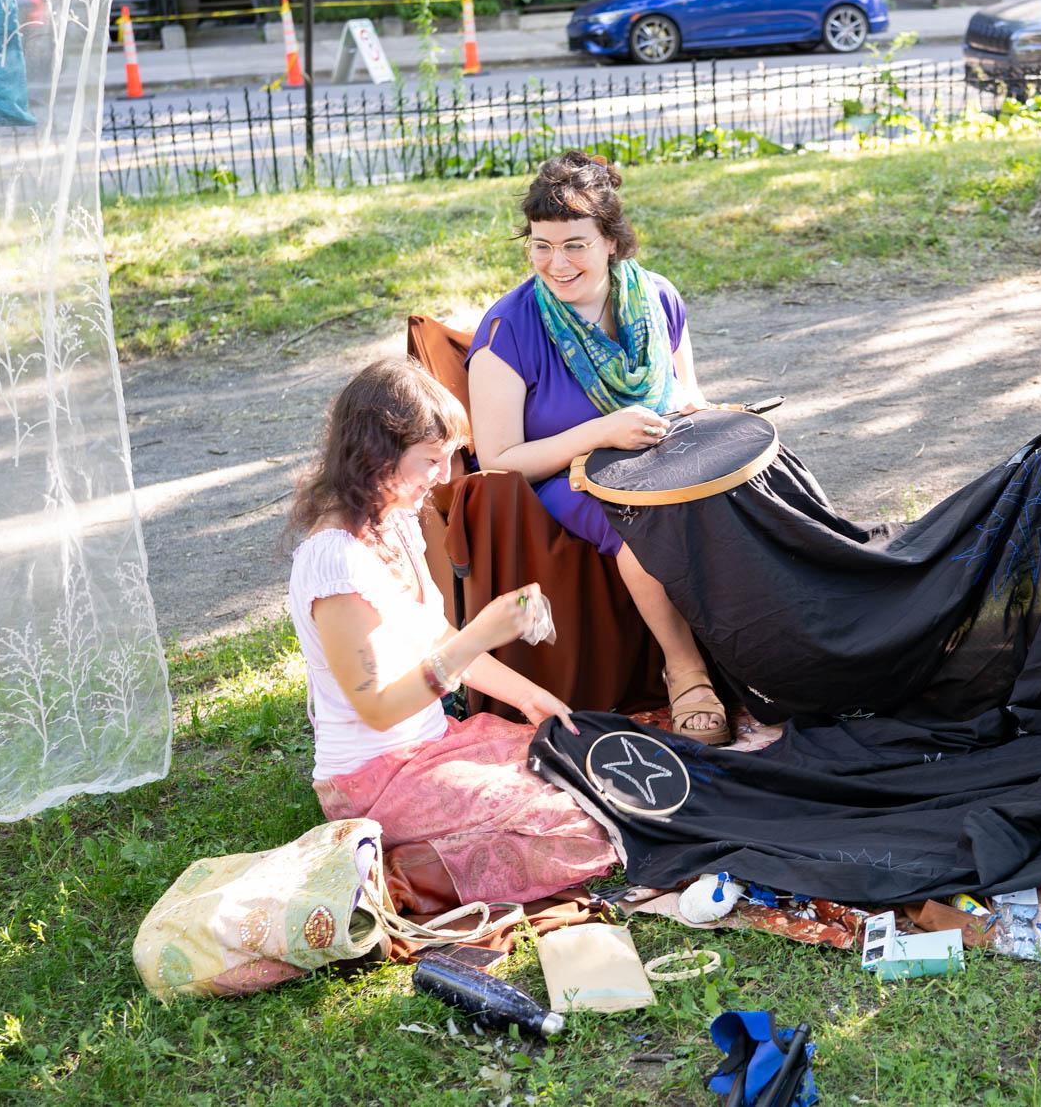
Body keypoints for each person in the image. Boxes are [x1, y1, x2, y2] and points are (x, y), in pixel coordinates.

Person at [288, 357, 616, 913]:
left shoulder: (395, 522)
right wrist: (479, 633)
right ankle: (401, 876)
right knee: (580, 827)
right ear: (376, 456)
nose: (444, 476)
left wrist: (531, 698)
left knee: (597, 780)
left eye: (448, 459)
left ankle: (446, 846)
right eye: (430, 461)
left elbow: (431, 634)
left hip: (432, 743)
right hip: (373, 778)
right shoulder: (335, 564)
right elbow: (377, 709)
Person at [466, 151, 731, 745]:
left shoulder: (658, 298)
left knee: (745, 496)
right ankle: (685, 670)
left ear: (612, 241)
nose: (556, 263)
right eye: (541, 245)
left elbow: (686, 395)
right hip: (568, 476)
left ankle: (763, 649)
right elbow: (499, 460)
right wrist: (600, 433)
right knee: (645, 522)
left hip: (660, 453)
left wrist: (713, 422)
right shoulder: (507, 331)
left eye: (575, 245)